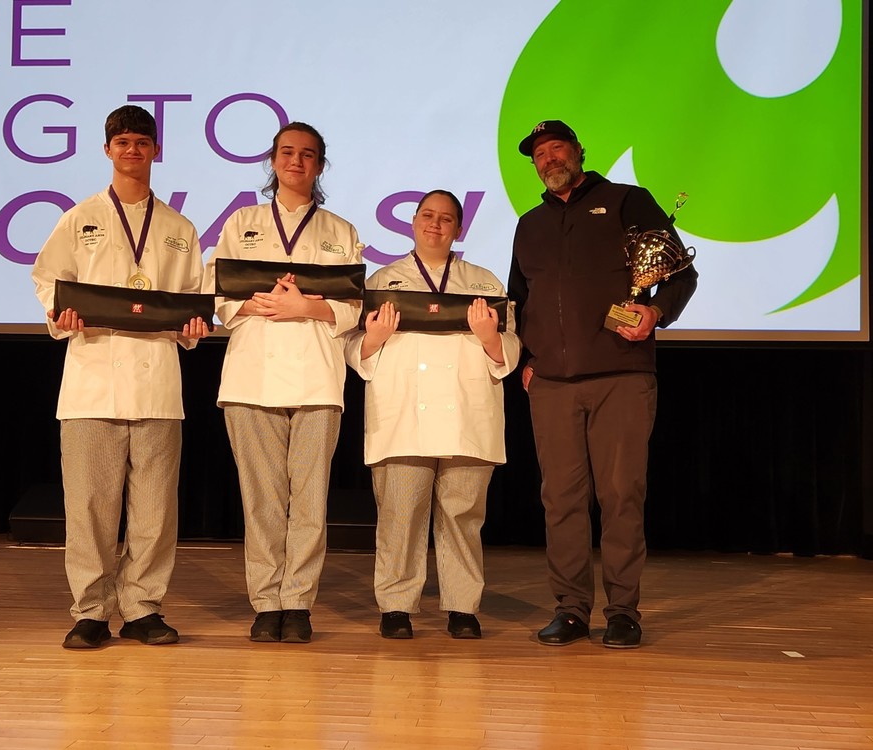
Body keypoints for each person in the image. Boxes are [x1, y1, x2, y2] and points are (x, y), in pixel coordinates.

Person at [508, 119, 697, 649]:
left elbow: (681, 272)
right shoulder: (529, 224)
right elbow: (519, 299)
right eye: (539, 154)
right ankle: (570, 609)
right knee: (561, 500)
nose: (548, 159)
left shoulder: (626, 200)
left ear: (578, 151)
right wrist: (526, 356)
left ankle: (622, 611)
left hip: (621, 374)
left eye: (556, 148)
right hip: (552, 384)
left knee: (621, 496)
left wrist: (656, 310)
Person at [32, 104, 209, 649]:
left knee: (155, 509)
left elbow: (192, 301)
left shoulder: (180, 228)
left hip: (157, 384)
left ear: (157, 150)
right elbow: (48, 279)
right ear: (107, 150)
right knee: (89, 506)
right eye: (123, 142)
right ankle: (90, 611)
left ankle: (142, 608)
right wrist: (58, 317)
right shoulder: (80, 218)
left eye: (142, 142)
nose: (133, 151)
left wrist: (193, 327)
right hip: (90, 381)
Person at [206, 122, 363, 644]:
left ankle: (297, 602)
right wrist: (260, 304)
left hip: (318, 379)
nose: (296, 162)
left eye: (308, 155)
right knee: (263, 500)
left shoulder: (340, 230)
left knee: (310, 499)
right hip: (252, 378)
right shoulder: (242, 222)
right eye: (287, 153)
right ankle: (265, 600)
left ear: (320, 165)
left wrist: (307, 307)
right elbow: (216, 293)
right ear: (273, 161)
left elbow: (353, 305)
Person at [345, 190, 520, 640]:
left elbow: (510, 352)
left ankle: (463, 606)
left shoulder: (484, 282)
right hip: (402, 416)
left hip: (468, 415)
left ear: (458, 229)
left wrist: (489, 336)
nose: (436, 225)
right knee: (400, 516)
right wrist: (374, 338)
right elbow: (352, 351)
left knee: (462, 517)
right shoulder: (383, 281)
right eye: (428, 216)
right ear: (413, 222)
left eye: (446, 219)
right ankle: (396, 606)